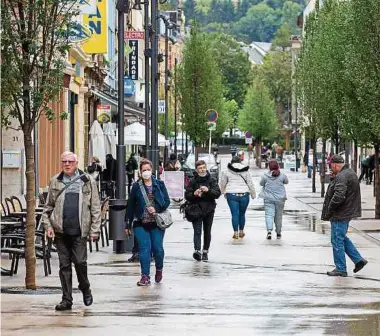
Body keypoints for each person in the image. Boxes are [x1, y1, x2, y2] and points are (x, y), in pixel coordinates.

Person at [41, 151, 101, 311]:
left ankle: (85, 287)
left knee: (80, 263)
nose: (67, 164)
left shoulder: (87, 181)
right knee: (64, 266)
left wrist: (95, 230)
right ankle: (66, 299)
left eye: (70, 161)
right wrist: (48, 227)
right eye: (64, 161)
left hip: (80, 232)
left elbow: (95, 207)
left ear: (76, 163)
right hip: (60, 232)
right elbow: (47, 208)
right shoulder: (55, 181)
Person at [125, 159, 170, 286]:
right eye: (144, 170)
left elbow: (166, 202)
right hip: (140, 222)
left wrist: (156, 208)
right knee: (145, 248)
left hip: (156, 222)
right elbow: (131, 205)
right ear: (140, 172)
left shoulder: (159, 184)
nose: (146, 172)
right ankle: (145, 276)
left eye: (148, 170)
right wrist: (127, 223)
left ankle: (159, 269)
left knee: (158, 249)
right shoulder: (136, 186)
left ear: (152, 170)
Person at [321, 155, 368, 277]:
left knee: (337, 240)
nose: (331, 169)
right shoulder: (348, 173)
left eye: (331, 166)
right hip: (346, 211)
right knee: (341, 238)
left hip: (340, 213)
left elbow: (339, 196)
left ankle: (341, 268)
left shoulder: (342, 176)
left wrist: (330, 209)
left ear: (336, 165)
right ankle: (358, 260)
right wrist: (333, 180)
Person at [185, 160, 221, 262]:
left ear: (206, 168)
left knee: (207, 231)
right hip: (196, 209)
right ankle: (197, 250)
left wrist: (208, 190)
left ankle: (205, 251)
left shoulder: (212, 179)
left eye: (203, 167)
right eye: (200, 168)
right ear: (196, 169)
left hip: (209, 209)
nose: (202, 170)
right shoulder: (193, 181)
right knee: (197, 231)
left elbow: (217, 193)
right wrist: (194, 194)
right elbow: (187, 195)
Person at [220, 156, 256, 239]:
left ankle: (235, 233)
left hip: (231, 195)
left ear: (232, 162)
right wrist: (253, 194)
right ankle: (241, 231)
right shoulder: (246, 171)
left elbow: (223, 183)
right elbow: (250, 183)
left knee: (234, 214)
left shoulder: (227, 171)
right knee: (242, 214)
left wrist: (222, 191)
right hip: (244, 194)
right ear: (240, 162)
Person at [259, 160, 289, 240]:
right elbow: (286, 182)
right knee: (278, 216)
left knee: (269, 215)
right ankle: (278, 232)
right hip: (280, 199)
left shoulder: (265, 176)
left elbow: (261, 183)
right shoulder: (282, 175)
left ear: (269, 167)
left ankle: (269, 231)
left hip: (268, 198)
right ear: (277, 166)